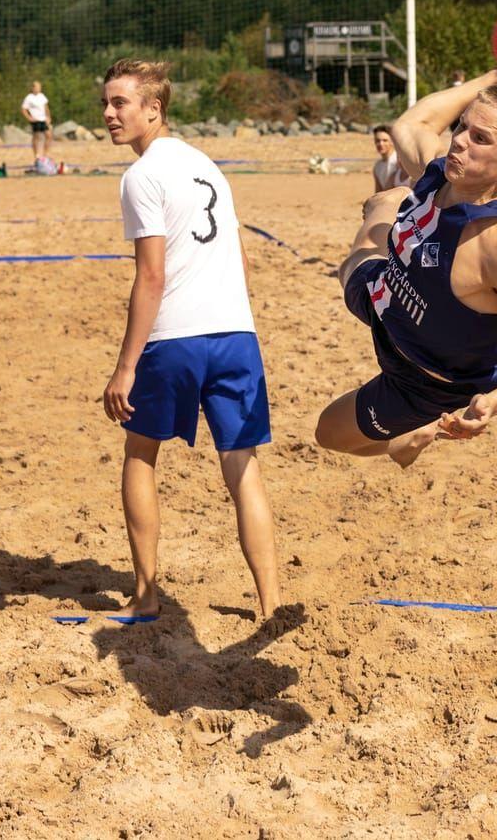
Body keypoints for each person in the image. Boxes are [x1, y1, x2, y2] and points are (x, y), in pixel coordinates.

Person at [313, 51, 497, 468]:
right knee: (359, 251)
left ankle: (405, 440)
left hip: (429, 380)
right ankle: (387, 211)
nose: (461, 141)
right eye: (462, 127)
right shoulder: (438, 172)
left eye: (481, 139)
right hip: (390, 300)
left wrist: (494, 403)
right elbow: (410, 125)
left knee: (329, 433)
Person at [99, 58, 281, 622]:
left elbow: (150, 277)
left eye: (119, 103)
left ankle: (146, 596)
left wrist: (125, 366)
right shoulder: (208, 165)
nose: (107, 114)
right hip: (235, 334)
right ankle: (270, 604)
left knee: (140, 453)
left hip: (175, 337)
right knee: (242, 466)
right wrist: (238, 321)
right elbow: (241, 256)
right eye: (105, 103)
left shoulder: (142, 174)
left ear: (154, 109)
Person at [371, 124, 411, 192]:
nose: (381, 144)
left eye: (385, 140)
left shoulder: (401, 161)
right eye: (378, 140)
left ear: (392, 141)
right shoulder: (377, 166)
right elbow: (378, 191)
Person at [21, 80, 50, 163]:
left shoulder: (42, 96)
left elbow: (46, 107)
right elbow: (23, 109)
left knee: (48, 135)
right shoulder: (29, 97)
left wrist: (48, 117)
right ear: (32, 88)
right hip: (35, 119)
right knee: (36, 136)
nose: (38, 89)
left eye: (39, 87)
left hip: (43, 118)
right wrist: (29, 118)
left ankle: (45, 153)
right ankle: (36, 154)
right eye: (36, 87)